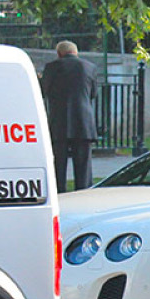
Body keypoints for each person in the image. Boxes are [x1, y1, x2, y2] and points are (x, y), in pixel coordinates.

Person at [40, 40, 99, 191]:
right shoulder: (89, 67)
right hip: (83, 122)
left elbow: (44, 91)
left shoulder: (52, 68)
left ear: (59, 54)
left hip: (60, 122)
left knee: (58, 165)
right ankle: (84, 193)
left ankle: (59, 193)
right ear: (76, 52)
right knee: (84, 167)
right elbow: (93, 94)